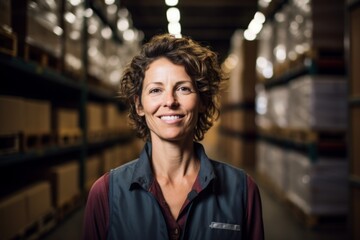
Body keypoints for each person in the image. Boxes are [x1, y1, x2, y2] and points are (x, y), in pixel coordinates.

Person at [83, 33, 264, 240]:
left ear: (203, 101)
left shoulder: (242, 191)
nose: (170, 101)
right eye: (155, 90)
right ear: (139, 105)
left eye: (183, 88)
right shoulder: (105, 194)